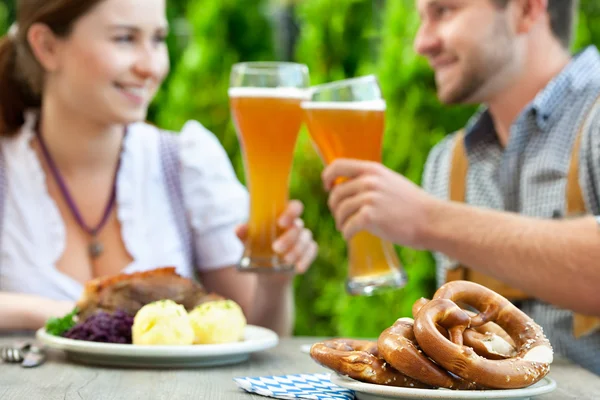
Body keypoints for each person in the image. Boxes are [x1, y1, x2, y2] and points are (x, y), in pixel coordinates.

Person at [0, 0, 318, 335]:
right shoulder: (7, 171)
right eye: (125, 38)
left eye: (158, 39)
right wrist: (55, 312)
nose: (151, 67)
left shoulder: (184, 164)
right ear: (47, 47)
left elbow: (255, 333)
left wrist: (275, 284)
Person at [322, 0, 600, 374]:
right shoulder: (447, 162)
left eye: (444, 11)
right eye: (422, 18)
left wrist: (429, 220)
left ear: (527, 10)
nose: (421, 42)